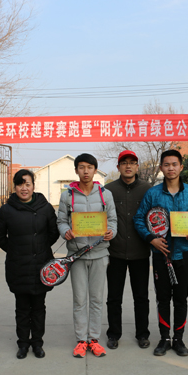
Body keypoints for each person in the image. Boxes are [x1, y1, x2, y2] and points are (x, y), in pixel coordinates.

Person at [134, 149, 188, 357]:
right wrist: (151, 238)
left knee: (181, 298)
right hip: (161, 255)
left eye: (174, 164)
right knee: (163, 298)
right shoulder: (153, 193)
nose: (171, 168)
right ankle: (164, 338)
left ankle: (178, 339)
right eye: (166, 164)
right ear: (161, 167)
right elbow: (139, 219)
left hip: (184, 253)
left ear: (181, 167)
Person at [0, 169, 59, 359]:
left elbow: (53, 232)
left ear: (33, 186)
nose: (24, 188)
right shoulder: (7, 210)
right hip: (18, 265)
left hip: (41, 265)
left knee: (38, 307)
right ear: (15, 187)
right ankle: (22, 344)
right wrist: (14, 249)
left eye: (27, 184)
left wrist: (41, 248)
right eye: (20, 184)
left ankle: (37, 343)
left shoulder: (45, 207)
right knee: (21, 308)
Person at [57, 153, 117, 358]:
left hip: (100, 254)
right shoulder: (67, 196)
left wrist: (111, 232)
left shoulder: (105, 195)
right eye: (81, 167)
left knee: (97, 299)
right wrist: (65, 231)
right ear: (76, 170)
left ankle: (94, 339)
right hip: (77, 255)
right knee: (79, 300)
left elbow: (113, 220)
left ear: (95, 170)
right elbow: (61, 221)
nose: (85, 171)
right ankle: (81, 340)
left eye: (89, 167)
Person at [104, 150, 151, 351]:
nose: (128, 166)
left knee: (141, 297)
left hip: (140, 252)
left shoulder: (148, 190)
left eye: (132, 162)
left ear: (137, 166)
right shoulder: (108, 191)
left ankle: (143, 334)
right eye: (124, 163)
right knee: (114, 298)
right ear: (118, 167)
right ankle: (114, 334)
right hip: (115, 252)